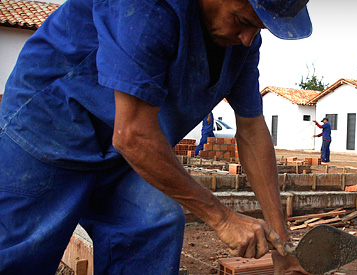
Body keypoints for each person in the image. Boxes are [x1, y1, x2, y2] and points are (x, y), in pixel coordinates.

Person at [0, 0, 312, 274]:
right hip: (46, 130)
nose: (247, 39)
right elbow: (133, 134)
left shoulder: (241, 45)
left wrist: (282, 243)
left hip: (120, 154)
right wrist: (222, 219)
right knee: (21, 252)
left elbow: (252, 131)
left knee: (155, 222)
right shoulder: (147, 7)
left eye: (258, 28)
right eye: (243, 21)